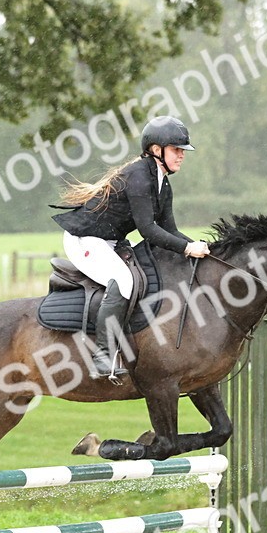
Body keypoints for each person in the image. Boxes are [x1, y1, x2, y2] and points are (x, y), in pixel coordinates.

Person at [51, 115, 210, 381]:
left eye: (183, 151)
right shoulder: (139, 176)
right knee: (123, 281)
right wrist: (186, 248)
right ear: (156, 150)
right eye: (176, 150)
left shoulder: (162, 182)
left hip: (111, 241)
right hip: (85, 239)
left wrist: (195, 246)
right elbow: (148, 230)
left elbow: (169, 230)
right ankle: (102, 356)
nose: (181, 155)